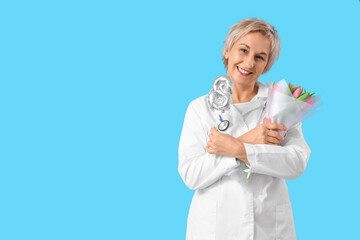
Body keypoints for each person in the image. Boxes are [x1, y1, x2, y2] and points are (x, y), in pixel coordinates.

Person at [178, 18, 311, 240]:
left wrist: (239, 149)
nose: (249, 63)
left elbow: (296, 162)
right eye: (243, 50)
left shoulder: (282, 103)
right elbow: (191, 175)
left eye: (260, 57)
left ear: (267, 65)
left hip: (269, 228)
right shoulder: (199, 108)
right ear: (227, 50)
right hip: (215, 228)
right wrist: (248, 140)